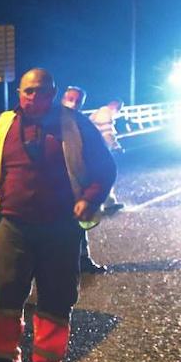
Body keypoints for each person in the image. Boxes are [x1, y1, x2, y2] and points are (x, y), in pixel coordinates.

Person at [0, 68, 116, 362]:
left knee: (56, 296)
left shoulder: (74, 125)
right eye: (28, 92)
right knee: (7, 292)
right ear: (19, 94)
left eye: (41, 91)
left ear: (53, 92)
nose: (34, 98)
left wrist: (89, 200)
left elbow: (105, 168)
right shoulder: (5, 125)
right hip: (14, 224)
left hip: (61, 227)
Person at [60, 86, 108, 274]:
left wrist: (91, 192)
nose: (73, 102)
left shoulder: (83, 125)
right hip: (56, 189)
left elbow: (99, 161)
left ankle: (82, 259)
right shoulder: (52, 122)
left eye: (77, 100)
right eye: (70, 97)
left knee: (79, 228)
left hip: (77, 187)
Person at [89, 99, 127, 214]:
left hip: (94, 149)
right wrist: (116, 146)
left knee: (100, 177)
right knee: (106, 176)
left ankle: (105, 203)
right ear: (116, 107)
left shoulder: (100, 112)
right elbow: (107, 133)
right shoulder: (105, 114)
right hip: (98, 150)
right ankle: (106, 204)